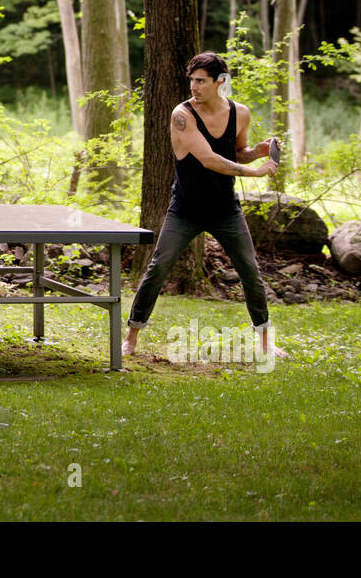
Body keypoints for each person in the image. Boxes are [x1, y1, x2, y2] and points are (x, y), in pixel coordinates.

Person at [123, 51, 289, 361]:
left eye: (201, 81)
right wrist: (257, 172)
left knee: (250, 272)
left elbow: (236, 152)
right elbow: (209, 159)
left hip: (226, 209)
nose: (194, 87)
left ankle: (266, 341)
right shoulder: (181, 115)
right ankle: (131, 336)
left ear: (220, 82)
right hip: (185, 209)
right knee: (158, 268)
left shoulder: (240, 113)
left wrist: (259, 151)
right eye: (192, 81)